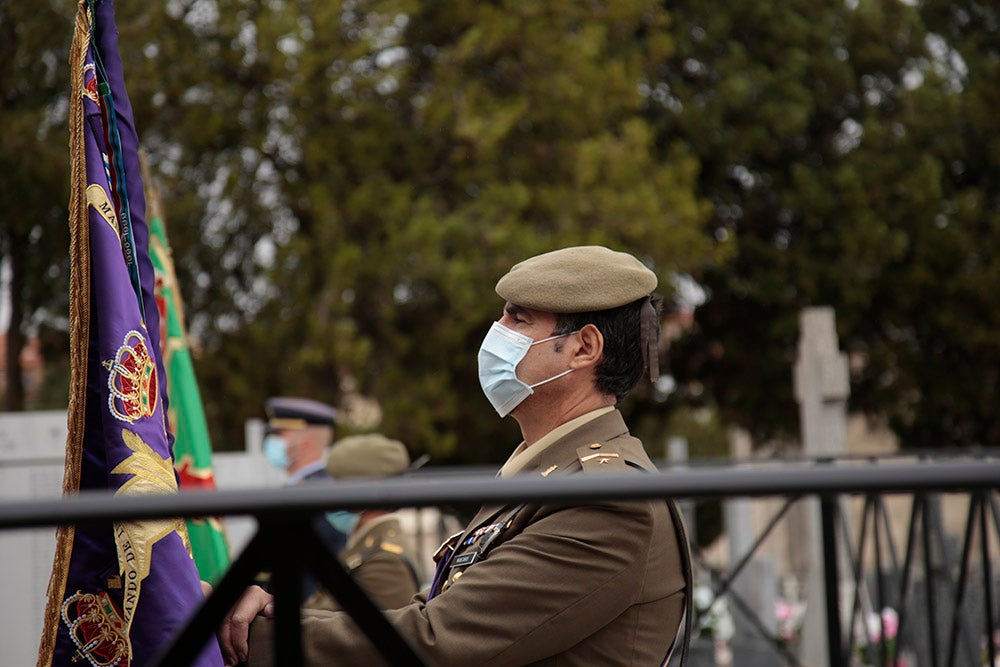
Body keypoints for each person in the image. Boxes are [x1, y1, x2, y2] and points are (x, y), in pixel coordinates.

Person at [221, 245, 691, 667]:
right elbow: (436, 611)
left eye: (518, 319)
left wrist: (249, 635)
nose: (495, 334)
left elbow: (438, 642)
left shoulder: (606, 498)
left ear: (584, 348)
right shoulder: (543, 475)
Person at [304, 433, 422, 613]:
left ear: (369, 487)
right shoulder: (365, 545)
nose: (332, 491)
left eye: (339, 482)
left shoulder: (385, 561)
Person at [260, 396, 348, 591]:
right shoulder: (305, 489)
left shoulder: (316, 495)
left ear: (306, 442)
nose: (271, 442)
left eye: (280, 434)